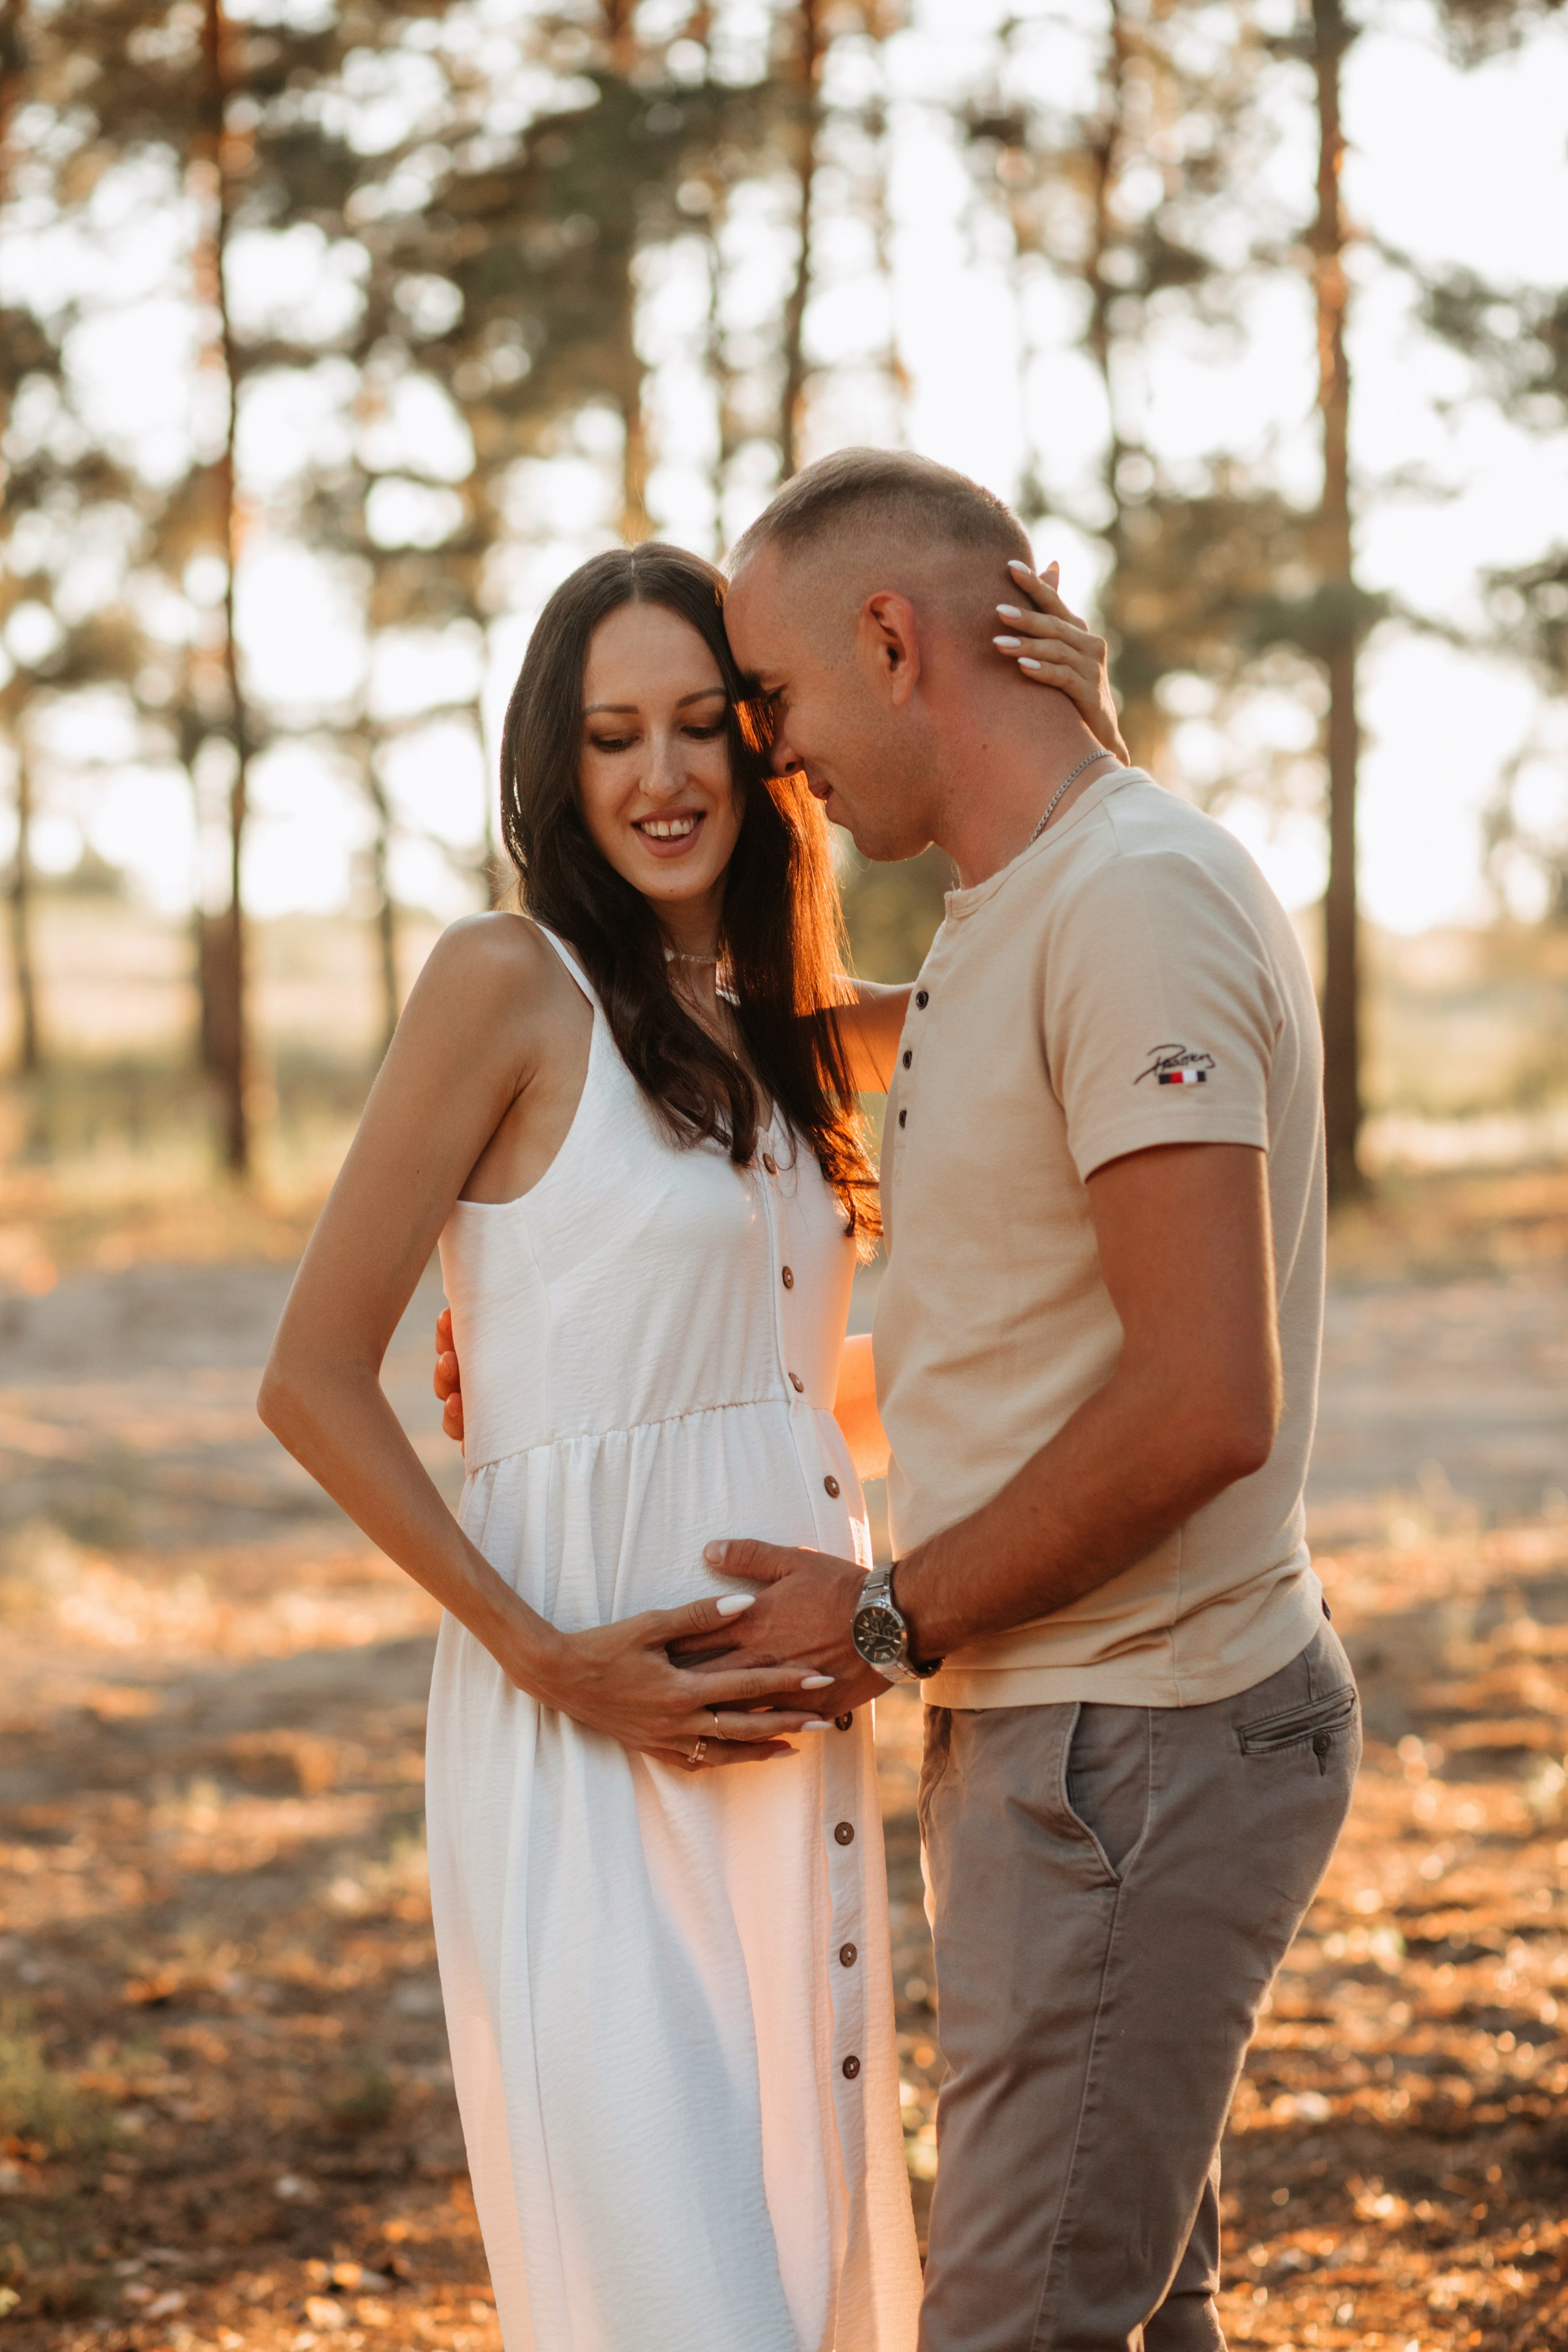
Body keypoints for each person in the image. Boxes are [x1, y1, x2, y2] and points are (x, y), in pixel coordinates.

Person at [259, 535, 1123, 2352]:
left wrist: (1083, 724)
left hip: (784, 1739)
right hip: (580, 1721)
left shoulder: (799, 1031)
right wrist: (548, 1657)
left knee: (805, 2266)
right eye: (609, 737)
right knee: (678, 2290)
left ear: (759, 748)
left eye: (699, 728)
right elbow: (310, 1378)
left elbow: (1074, 932)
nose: (662, 777)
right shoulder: (504, 985)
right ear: (556, 773)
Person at [662, 448, 1361, 2352]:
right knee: (1138, 2310)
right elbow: (995, 1309)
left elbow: (1207, 1398)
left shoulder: (1129, 900)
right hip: (1073, 1727)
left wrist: (884, 1621)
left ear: (893, 640)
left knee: (1016, 2324)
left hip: (1144, 1740)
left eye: (778, 701)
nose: (767, 756)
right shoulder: (1021, 903)